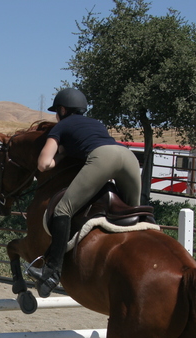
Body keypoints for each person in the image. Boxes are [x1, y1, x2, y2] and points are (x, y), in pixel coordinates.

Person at [25, 88, 142, 298]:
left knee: (63, 209)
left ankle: (51, 272)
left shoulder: (61, 126)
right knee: (134, 214)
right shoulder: (96, 123)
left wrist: (59, 157)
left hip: (103, 158)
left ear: (62, 110)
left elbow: (43, 164)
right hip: (129, 157)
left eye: (56, 111)